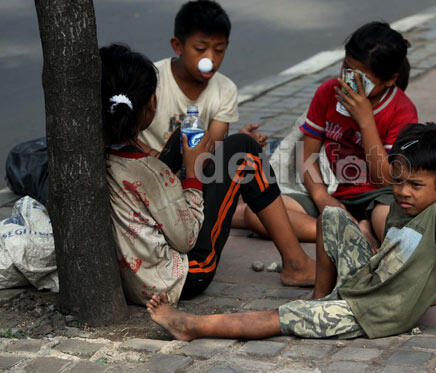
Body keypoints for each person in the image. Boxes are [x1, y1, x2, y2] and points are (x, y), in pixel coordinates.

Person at [146, 123, 436, 352]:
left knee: (281, 317)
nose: (403, 192)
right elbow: (403, 253)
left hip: (369, 312)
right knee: (332, 214)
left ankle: (191, 326)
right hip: (365, 281)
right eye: (398, 181)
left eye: (416, 185)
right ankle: (321, 295)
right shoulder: (405, 205)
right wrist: (425, 287)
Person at [101, 43, 315, 306]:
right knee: (244, 152)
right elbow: (187, 237)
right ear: (149, 105)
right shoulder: (150, 173)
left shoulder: (96, 154)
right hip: (182, 277)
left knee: (186, 137)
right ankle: (297, 264)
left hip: (133, 274)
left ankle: (213, 161)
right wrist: (193, 174)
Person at [243, 21, 418, 249]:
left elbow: (385, 179)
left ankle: (354, 226)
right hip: (331, 190)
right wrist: (321, 196)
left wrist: (366, 122)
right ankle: (348, 232)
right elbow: (307, 155)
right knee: (255, 214)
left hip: (377, 197)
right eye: (346, 69)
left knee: (389, 224)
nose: (349, 82)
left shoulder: (401, 110)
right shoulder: (328, 92)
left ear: (389, 80)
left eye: (361, 80)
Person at [137, 0, 266, 154]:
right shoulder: (150, 78)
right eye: (200, 49)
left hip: (196, 169)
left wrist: (235, 142)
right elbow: (125, 136)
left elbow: (210, 151)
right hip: (147, 166)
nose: (210, 59)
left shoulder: (225, 90)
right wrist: (158, 161)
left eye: (219, 50)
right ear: (178, 46)